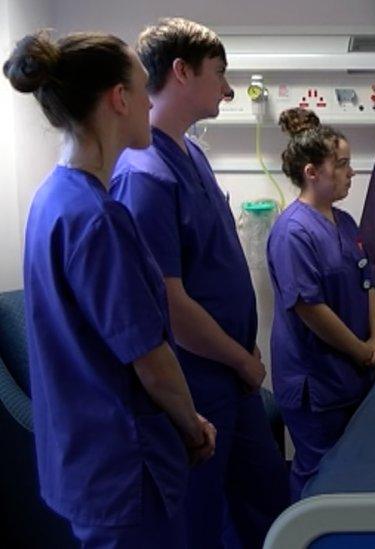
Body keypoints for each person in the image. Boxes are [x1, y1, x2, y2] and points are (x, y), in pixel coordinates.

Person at [4, 30, 216, 548]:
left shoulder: (51, 200)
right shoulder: (98, 219)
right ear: (118, 99)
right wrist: (192, 425)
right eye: (143, 89)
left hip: (82, 459)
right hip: (125, 465)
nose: (150, 102)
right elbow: (150, 357)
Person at [109, 17, 289, 548]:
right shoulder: (143, 174)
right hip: (197, 382)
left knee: (267, 507)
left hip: (232, 375)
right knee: (202, 522)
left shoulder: (193, 153)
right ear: (182, 72)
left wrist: (241, 351)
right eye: (219, 74)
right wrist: (239, 358)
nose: (229, 89)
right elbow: (167, 300)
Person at [266, 108, 375, 499]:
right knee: (319, 474)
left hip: (353, 372)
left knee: (352, 469)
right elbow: (309, 309)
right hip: (316, 380)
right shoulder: (293, 232)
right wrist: (362, 351)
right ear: (312, 172)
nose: (352, 173)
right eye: (343, 164)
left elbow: (368, 284)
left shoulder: (345, 223)